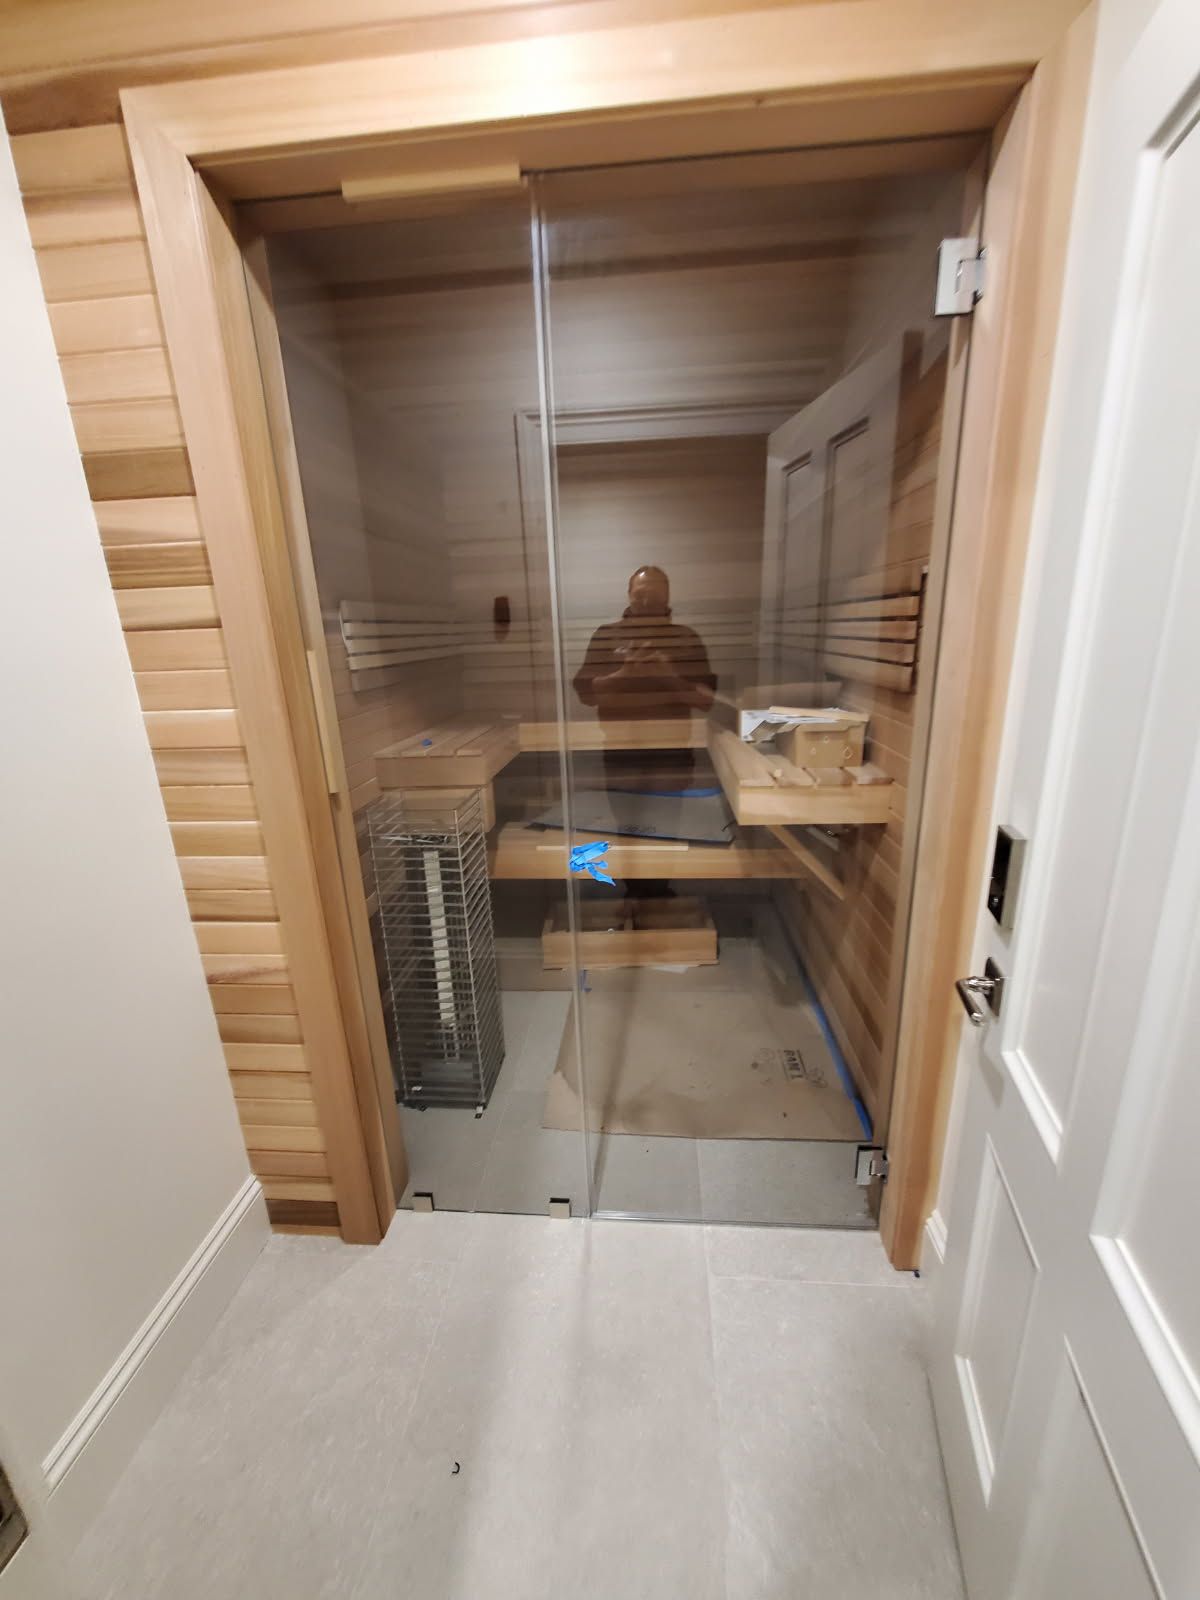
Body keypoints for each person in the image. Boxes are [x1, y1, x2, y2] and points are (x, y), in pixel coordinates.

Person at [572, 564, 716, 795]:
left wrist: (669, 676)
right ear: (629, 595)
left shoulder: (686, 638)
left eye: (656, 596)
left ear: (667, 598)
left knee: (667, 827)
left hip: (673, 755)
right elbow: (585, 695)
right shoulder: (606, 636)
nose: (647, 602)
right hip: (620, 753)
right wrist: (624, 674)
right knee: (624, 828)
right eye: (640, 595)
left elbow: (706, 701)